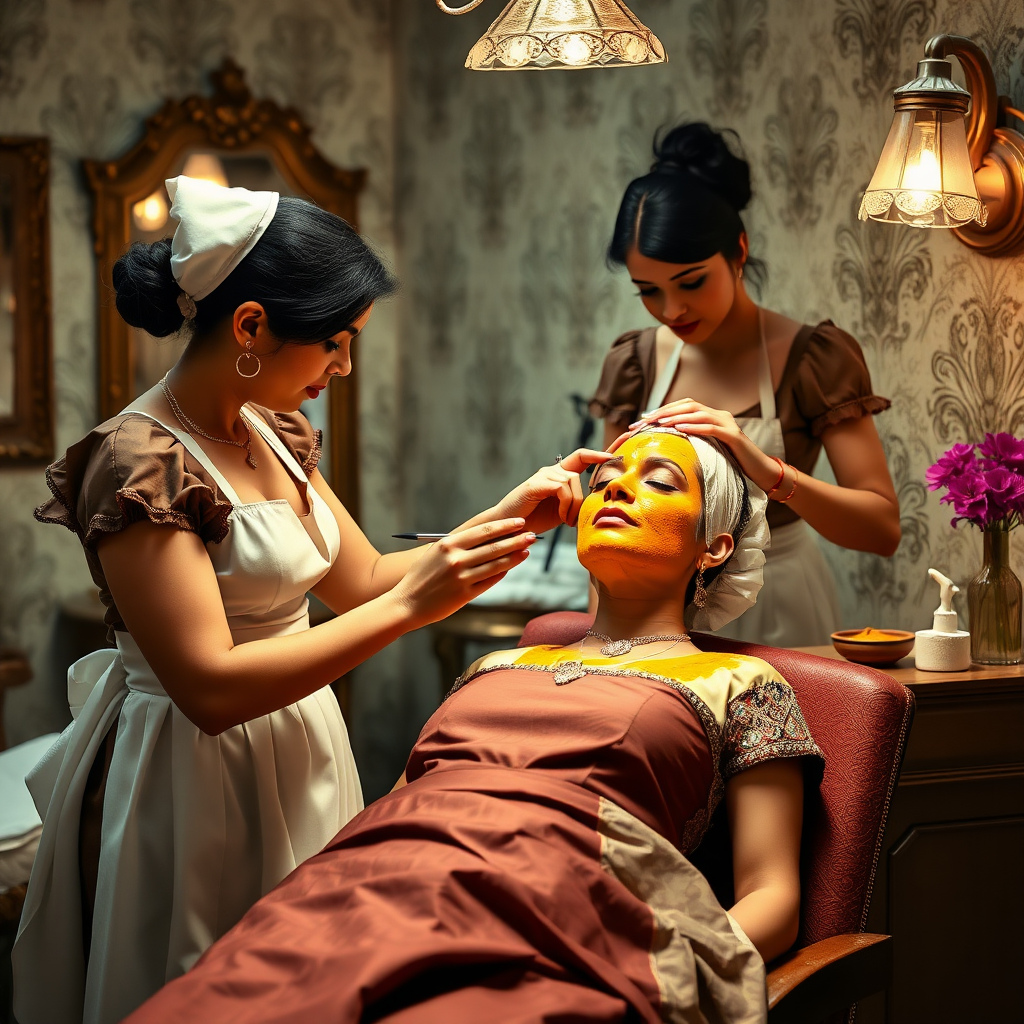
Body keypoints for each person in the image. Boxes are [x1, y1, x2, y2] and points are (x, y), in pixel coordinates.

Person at [13, 176, 610, 1024]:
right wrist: (413, 610)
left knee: (319, 978)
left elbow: (361, 577)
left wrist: (506, 514)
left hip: (301, 743)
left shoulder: (270, 428)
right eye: (334, 341)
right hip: (190, 775)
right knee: (209, 984)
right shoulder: (141, 462)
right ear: (251, 325)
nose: (346, 365)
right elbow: (211, 688)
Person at [123, 427, 824, 1024]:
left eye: (658, 480)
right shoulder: (493, 663)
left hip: (560, 924)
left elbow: (773, 899)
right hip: (366, 894)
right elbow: (397, 812)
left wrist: (668, 970)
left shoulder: (743, 686)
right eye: (607, 476)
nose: (615, 488)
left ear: (716, 547)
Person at [590, 122, 901, 647]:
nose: (672, 310)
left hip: (781, 599)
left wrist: (768, 471)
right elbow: (606, 527)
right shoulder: (634, 362)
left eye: (691, 282)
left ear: (738, 250)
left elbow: (882, 531)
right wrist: (603, 639)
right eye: (648, 290)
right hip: (653, 606)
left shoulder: (812, 358)